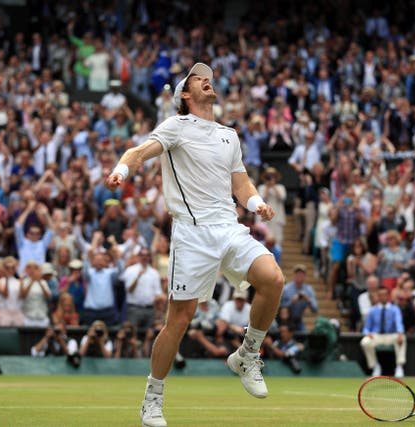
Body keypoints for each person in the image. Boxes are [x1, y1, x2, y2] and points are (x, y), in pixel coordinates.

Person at [105, 62, 284, 427]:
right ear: (185, 95)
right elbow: (136, 153)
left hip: (228, 227)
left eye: (207, 76)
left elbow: (241, 185)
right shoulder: (175, 127)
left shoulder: (229, 135)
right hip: (191, 233)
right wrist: (121, 172)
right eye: (196, 78)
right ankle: (152, 400)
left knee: (273, 279)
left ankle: (247, 355)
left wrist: (256, 203)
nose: (206, 79)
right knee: (180, 320)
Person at [360, 287, 406, 378]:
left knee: (402, 338)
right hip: (377, 336)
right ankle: (375, 366)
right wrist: (367, 333)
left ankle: (399, 366)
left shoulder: (395, 309)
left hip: (391, 335)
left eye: (385, 295)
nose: (383, 297)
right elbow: (366, 328)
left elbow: (399, 323)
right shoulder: (372, 310)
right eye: (380, 295)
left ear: (388, 296)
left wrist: (400, 333)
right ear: (378, 296)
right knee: (365, 342)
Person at [279, 264, 318, 331]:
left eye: (301, 274)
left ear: (305, 276)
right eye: (297, 274)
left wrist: (308, 300)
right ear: (294, 275)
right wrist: (291, 302)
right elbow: (279, 308)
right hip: (286, 321)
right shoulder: (286, 289)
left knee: (304, 336)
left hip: (299, 320)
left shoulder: (308, 290)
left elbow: (315, 309)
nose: (299, 276)